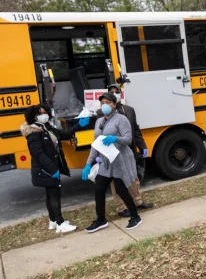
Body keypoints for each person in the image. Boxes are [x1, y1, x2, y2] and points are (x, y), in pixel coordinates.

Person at [21, 104, 90, 233]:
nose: (44, 115)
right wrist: (53, 169)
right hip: (46, 169)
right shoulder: (33, 132)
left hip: (49, 167)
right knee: (54, 195)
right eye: (40, 113)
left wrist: (78, 125)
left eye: (45, 112)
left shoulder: (46, 127)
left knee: (50, 194)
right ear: (33, 116)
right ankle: (60, 223)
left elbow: (63, 134)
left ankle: (53, 221)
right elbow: (38, 154)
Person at [81, 92, 142, 233]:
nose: (105, 105)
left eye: (108, 102)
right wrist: (88, 164)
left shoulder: (121, 119)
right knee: (99, 189)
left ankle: (135, 216)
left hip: (119, 160)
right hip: (105, 162)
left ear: (114, 104)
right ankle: (101, 219)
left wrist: (115, 138)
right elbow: (96, 144)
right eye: (102, 103)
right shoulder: (99, 121)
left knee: (121, 189)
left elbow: (128, 139)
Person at [97, 84, 153, 217]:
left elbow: (135, 130)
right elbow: (98, 135)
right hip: (112, 152)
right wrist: (98, 155)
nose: (115, 93)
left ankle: (138, 201)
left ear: (120, 95)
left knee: (133, 177)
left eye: (117, 92)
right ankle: (121, 208)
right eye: (112, 92)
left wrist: (143, 146)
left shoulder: (129, 110)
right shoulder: (101, 113)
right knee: (115, 182)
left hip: (128, 150)